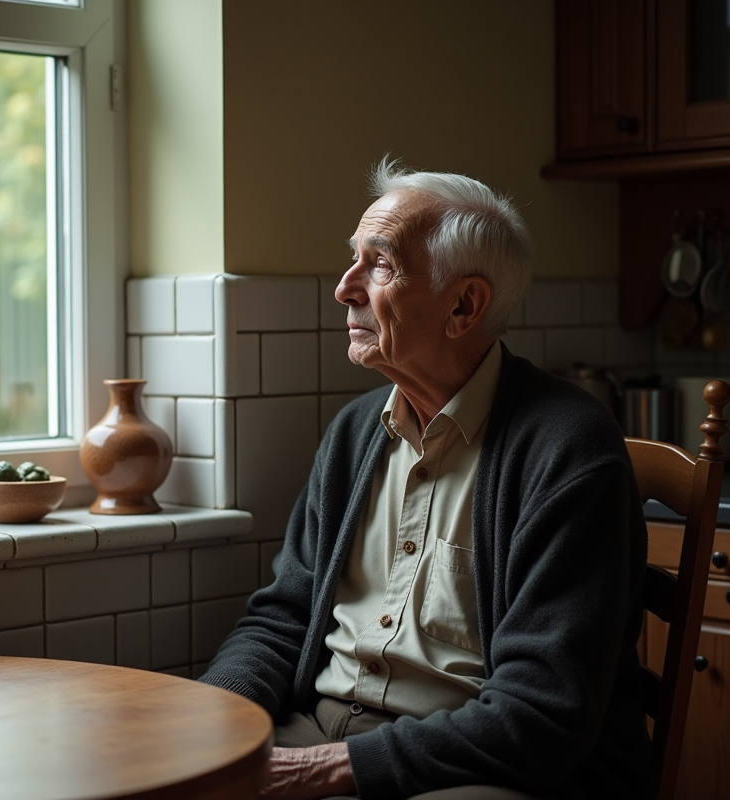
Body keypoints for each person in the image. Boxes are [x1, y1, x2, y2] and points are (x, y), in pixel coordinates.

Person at [198, 159, 652, 800]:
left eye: (379, 264)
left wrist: (322, 770)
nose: (345, 288)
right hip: (319, 734)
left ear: (464, 305)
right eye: (352, 259)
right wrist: (205, 725)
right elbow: (283, 618)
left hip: (479, 768)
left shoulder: (567, 450)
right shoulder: (358, 432)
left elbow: (542, 712)